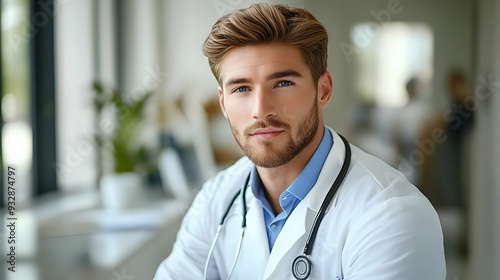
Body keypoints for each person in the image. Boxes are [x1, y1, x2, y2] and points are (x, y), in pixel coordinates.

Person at [154, 3, 445, 280]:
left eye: (283, 83)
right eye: (241, 88)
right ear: (223, 103)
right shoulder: (215, 199)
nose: (260, 109)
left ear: (323, 90)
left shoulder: (393, 215)